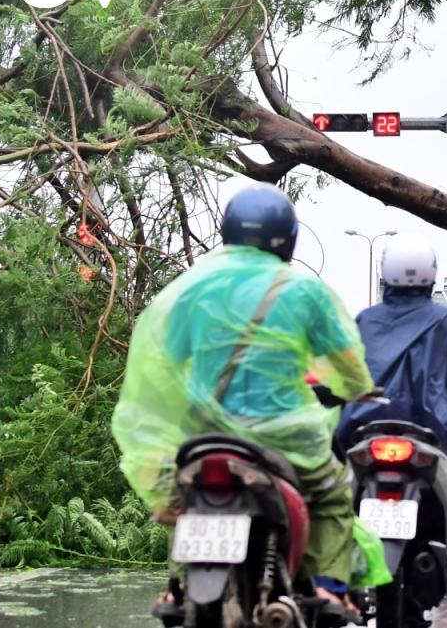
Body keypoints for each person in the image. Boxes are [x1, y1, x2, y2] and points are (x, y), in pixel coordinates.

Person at [112, 183, 374, 620]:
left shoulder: (191, 288)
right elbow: (345, 365)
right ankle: (328, 589)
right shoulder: (304, 290)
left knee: (187, 496)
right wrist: (357, 388)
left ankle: (178, 585)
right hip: (287, 434)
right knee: (332, 493)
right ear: (288, 238)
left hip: (204, 433)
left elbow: (164, 364)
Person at [335, 233, 447, 481]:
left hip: (362, 422)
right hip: (431, 423)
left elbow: (347, 373)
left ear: (386, 271)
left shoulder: (365, 319)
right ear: (432, 273)